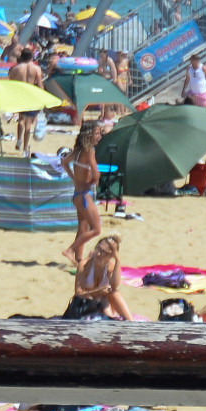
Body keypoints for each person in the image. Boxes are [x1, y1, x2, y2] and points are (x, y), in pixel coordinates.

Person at [61, 120, 103, 268]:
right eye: (97, 133)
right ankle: (70, 250)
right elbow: (96, 173)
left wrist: (74, 178)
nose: (100, 136)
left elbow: (64, 162)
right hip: (84, 195)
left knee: (82, 228)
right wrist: (93, 181)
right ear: (90, 135)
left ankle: (78, 259)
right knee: (96, 229)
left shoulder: (77, 151)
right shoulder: (89, 151)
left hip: (77, 194)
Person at [70, 233, 133, 320]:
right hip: (87, 303)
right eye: (98, 249)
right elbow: (78, 293)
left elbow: (115, 286)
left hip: (103, 303)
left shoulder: (111, 266)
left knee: (114, 293)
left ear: (111, 255)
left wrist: (118, 260)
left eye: (104, 252)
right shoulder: (84, 265)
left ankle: (131, 322)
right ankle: (111, 319)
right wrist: (97, 291)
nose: (98, 254)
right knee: (105, 301)